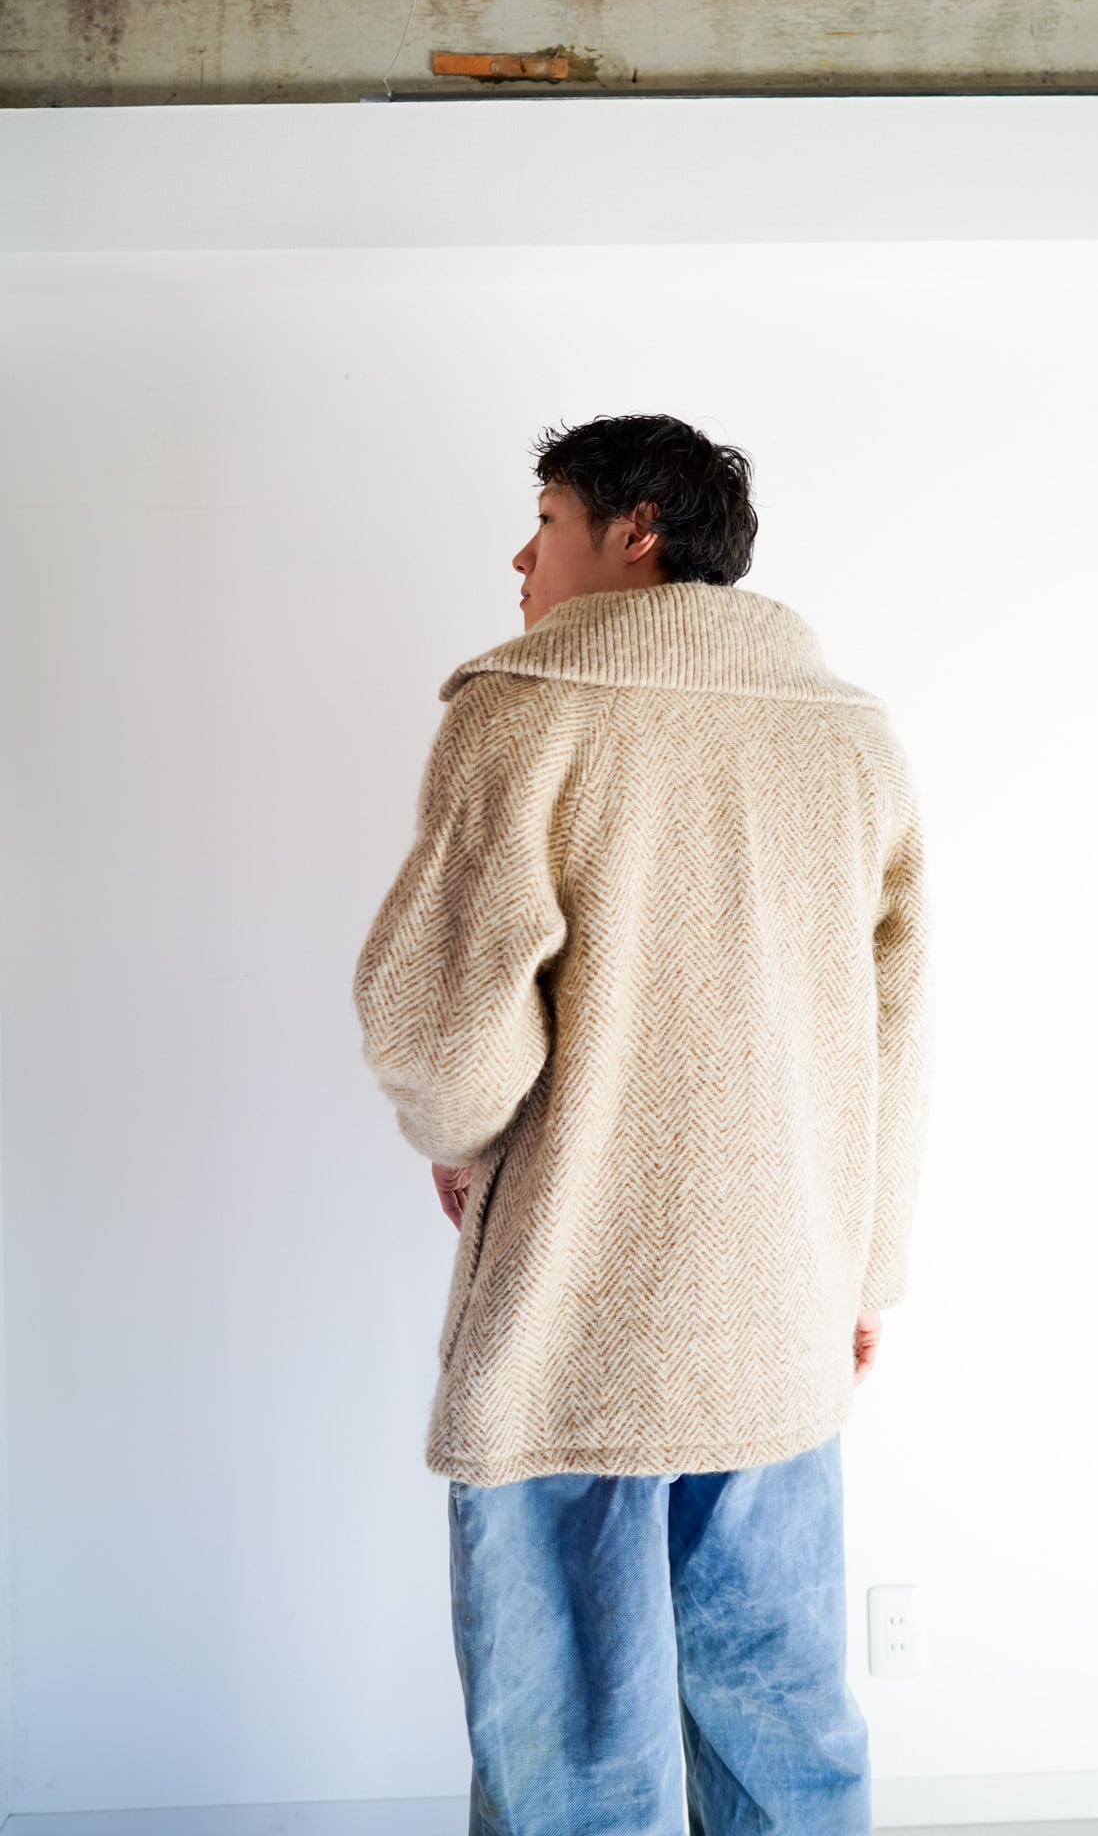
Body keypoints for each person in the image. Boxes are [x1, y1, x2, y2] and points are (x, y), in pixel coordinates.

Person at [352, 412, 933, 1836]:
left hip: (575, 1325)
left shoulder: (527, 711)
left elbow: (438, 1027)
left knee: (570, 1757)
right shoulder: (851, 738)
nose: (521, 556)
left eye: (546, 520)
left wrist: (462, 1135)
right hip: (778, 1319)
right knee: (783, 1729)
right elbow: (896, 1034)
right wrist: (864, 1275)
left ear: (638, 531)